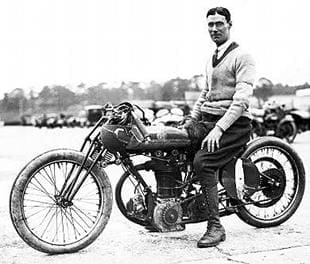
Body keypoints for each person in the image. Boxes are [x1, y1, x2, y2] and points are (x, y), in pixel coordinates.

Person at [184, 7, 256, 248]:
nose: (214, 29)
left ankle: (215, 226)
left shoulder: (242, 56)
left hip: (234, 124)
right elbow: (205, 94)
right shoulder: (210, 58)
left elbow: (241, 100)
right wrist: (190, 120)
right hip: (208, 120)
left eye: (219, 24)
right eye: (210, 25)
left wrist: (219, 129)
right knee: (177, 145)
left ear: (229, 24)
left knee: (202, 163)